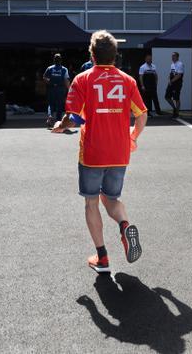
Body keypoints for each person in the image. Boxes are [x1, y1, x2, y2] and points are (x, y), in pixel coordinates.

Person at [52, 30, 148, 273]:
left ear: (92, 55)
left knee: (92, 202)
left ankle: (102, 258)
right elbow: (142, 114)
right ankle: (125, 225)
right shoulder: (128, 81)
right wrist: (133, 137)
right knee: (112, 199)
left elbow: (73, 118)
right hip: (119, 152)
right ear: (115, 56)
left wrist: (60, 126)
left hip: (93, 154)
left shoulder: (82, 80)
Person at [43, 53, 70, 127]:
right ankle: (58, 121)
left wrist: (50, 83)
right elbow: (66, 80)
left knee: (51, 104)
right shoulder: (64, 69)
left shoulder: (50, 68)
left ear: (54, 60)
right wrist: (69, 89)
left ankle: (50, 116)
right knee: (59, 105)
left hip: (52, 88)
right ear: (61, 60)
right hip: (61, 89)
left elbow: (44, 78)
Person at [165, 52, 184, 118]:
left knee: (176, 98)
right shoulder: (172, 64)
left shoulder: (180, 64)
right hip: (171, 83)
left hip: (177, 84)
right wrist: (168, 80)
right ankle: (174, 108)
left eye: (174, 56)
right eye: (172, 56)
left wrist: (171, 81)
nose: (172, 57)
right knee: (167, 97)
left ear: (177, 57)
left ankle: (177, 113)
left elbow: (179, 75)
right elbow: (171, 73)